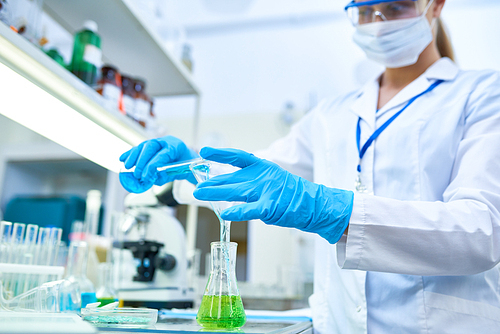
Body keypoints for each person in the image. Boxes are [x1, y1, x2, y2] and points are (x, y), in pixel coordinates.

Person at [119, 0, 500, 332]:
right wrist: (190, 163)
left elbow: (481, 230)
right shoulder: (330, 114)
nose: (379, 22)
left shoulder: (482, 95)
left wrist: (330, 210)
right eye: (365, 11)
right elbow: (255, 174)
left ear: (435, 5)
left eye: (396, 6)